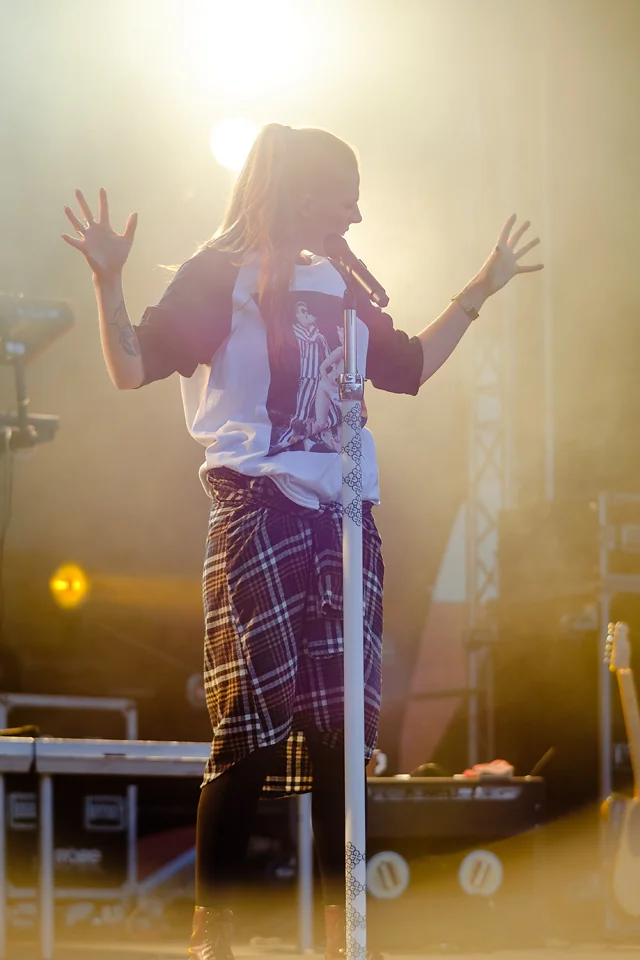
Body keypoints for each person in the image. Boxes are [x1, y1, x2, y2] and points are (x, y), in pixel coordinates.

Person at [61, 123, 543, 959]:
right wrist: (109, 281)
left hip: (345, 526)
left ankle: (342, 937)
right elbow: (131, 368)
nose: (355, 215)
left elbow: (409, 366)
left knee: (340, 740)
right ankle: (215, 940)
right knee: (249, 731)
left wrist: (481, 287)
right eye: (342, 198)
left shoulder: (341, 282)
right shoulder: (221, 275)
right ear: (301, 195)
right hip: (260, 514)